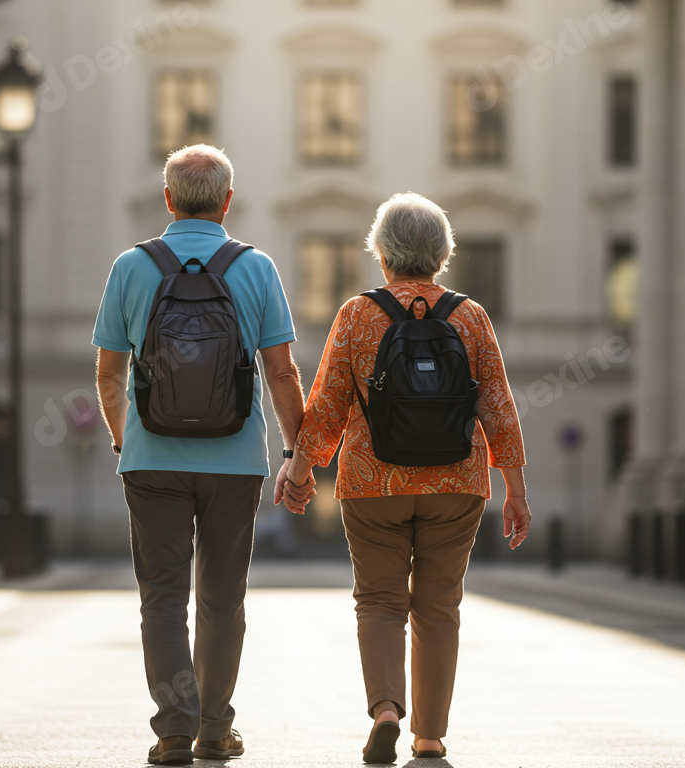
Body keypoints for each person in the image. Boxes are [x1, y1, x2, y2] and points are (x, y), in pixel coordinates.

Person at [283, 192, 532, 763]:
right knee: (439, 604)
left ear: (381, 252)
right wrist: (515, 490)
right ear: (442, 253)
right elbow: (499, 407)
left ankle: (387, 709)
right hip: (456, 482)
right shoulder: (470, 316)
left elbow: (324, 406)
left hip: (373, 481)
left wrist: (299, 474)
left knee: (378, 600)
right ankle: (430, 735)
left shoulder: (357, 314)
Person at [93, 145, 317, 766]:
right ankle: (215, 730)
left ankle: (173, 732)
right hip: (235, 458)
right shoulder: (256, 268)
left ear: (166, 200)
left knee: (162, 597)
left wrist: (123, 438)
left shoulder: (131, 267)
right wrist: (299, 453)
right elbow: (281, 372)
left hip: (151, 458)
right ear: (227, 201)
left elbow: (110, 374)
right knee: (222, 598)